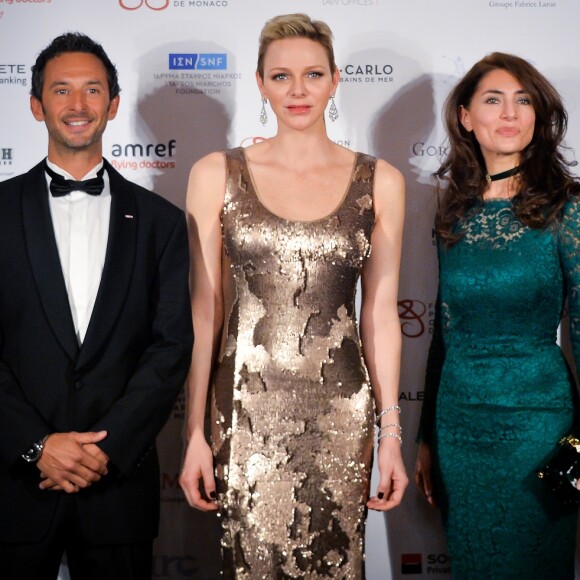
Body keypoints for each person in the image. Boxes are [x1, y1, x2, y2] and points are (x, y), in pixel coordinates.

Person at [179, 12, 407, 579]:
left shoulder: (381, 181)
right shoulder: (216, 174)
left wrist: (392, 434)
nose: (298, 90)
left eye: (312, 75)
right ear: (259, 83)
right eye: (281, 77)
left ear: (334, 80)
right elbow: (204, 313)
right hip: (243, 411)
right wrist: (194, 433)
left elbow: (379, 314)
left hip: (339, 415)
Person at [0, 33, 193, 579]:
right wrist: (36, 445)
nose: (77, 105)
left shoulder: (160, 221)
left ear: (112, 104)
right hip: (15, 483)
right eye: (61, 91)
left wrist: (105, 450)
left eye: (92, 90)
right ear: (37, 105)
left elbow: (171, 346)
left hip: (117, 488)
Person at [415, 52, 580, 579]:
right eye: (493, 100)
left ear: (538, 116)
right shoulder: (452, 213)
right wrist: (425, 438)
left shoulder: (567, 208)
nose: (510, 113)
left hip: (540, 427)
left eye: (523, 100)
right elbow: (443, 334)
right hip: (460, 428)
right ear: (466, 116)